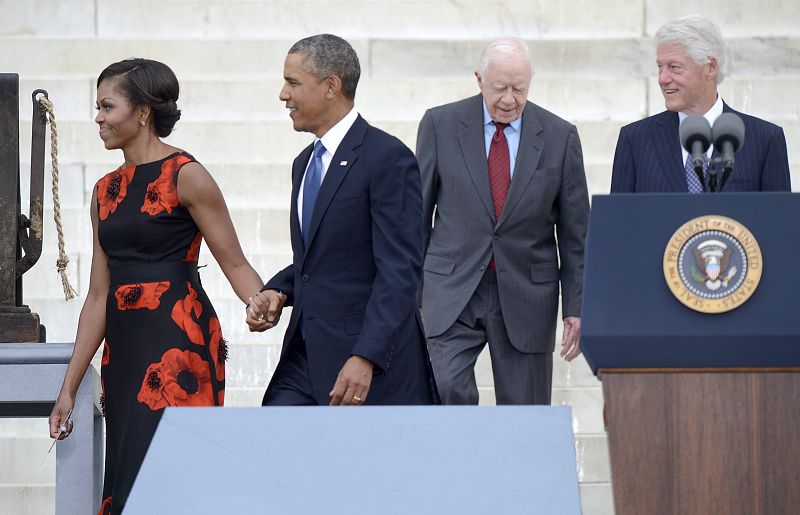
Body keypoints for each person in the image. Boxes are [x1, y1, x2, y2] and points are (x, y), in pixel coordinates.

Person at [48, 58, 266, 513]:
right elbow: (97, 296)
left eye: (107, 106)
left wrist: (260, 300)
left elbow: (235, 262)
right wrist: (69, 386)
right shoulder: (104, 191)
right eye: (97, 107)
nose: (98, 118)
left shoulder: (187, 174)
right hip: (125, 352)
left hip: (179, 341)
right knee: (129, 470)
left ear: (143, 112)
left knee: (174, 473)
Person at [247, 34, 438, 406]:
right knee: (273, 436)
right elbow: (321, 259)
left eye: (293, 83)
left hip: (366, 363)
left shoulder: (387, 158)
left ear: (331, 86)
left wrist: (366, 355)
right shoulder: (304, 163)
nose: (283, 95)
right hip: (304, 358)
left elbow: (399, 270)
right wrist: (278, 291)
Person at [415, 37, 589, 405]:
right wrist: (413, 294)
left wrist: (576, 307)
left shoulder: (560, 136)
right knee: (444, 391)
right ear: (479, 79)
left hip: (527, 294)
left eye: (519, 89)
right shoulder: (439, 125)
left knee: (525, 413)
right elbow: (417, 218)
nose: (509, 99)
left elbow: (576, 235)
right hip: (452, 288)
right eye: (499, 88)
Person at [610, 15, 791, 193]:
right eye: (660, 67)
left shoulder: (765, 139)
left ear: (710, 67)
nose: (662, 79)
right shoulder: (635, 140)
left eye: (674, 67)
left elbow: (779, 212)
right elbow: (618, 212)